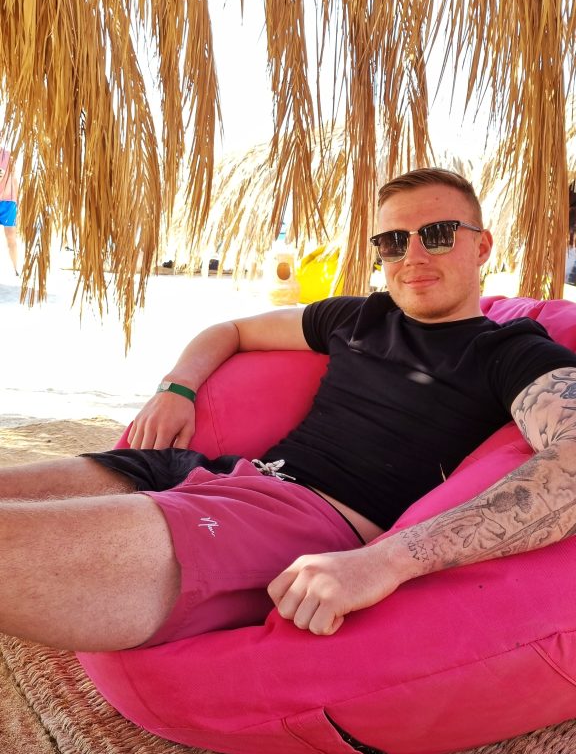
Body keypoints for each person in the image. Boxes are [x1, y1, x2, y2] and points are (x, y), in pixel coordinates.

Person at [0, 168, 575, 654]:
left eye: (439, 233)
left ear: (483, 245)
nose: (413, 256)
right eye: (393, 242)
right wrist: (176, 388)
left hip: (305, 521)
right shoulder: (357, 317)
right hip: (220, 473)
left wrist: (388, 561)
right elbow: (229, 329)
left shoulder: (510, 352)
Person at [0, 149, 19, 275]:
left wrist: (16, 200)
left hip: (8, 201)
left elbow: (14, 178)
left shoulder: (7, 155)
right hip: (8, 200)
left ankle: (16, 268)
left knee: (11, 236)